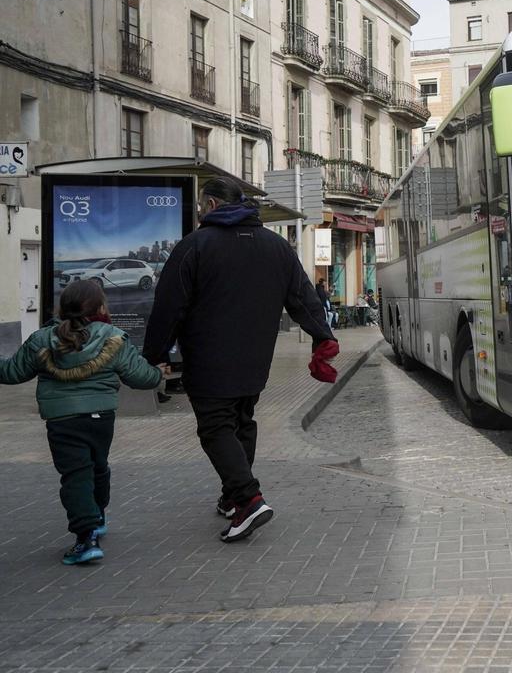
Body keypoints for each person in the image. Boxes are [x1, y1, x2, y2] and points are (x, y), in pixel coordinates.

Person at [143, 177, 338, 543]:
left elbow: (169, 307)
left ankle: (248, 500)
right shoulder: (277, 246)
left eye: (200, 205)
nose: (198, 211)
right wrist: (323, 337)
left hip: (208, 359)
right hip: (256, 359)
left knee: (216, 427)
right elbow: (303, 298)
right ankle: (232, 497)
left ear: (211, 205)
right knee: (242, 422)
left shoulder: (194, 246)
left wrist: (152, 355)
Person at [0, 280, 165, 565]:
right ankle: (97, 516)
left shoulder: (42, 339)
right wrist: (158, 373)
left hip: (62, 420)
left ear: (61, 308)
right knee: (98, 467)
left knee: (76, 475)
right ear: (101, 307)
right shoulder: (114, 338)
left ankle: (86, 538)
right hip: (101, 418)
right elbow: (141, 378)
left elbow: (12, 373)